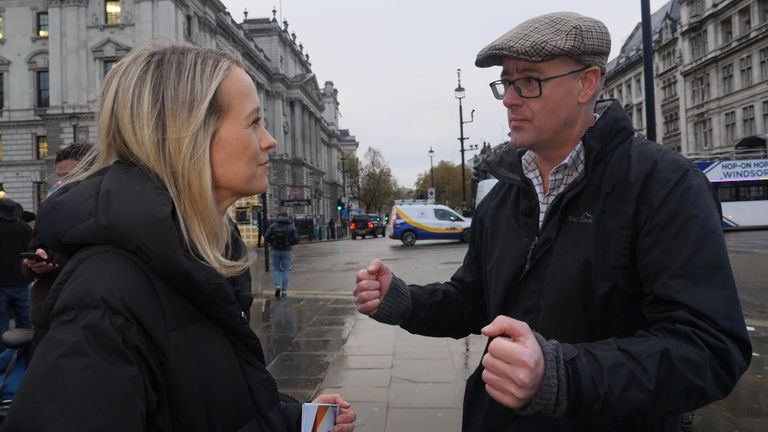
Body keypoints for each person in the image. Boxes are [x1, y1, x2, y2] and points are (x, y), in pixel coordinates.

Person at [353, 12, 751, 432]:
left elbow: (709, 348)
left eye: (528, 81)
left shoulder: (663, 186)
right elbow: (474, 301)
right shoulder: (504, 193)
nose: (509, 98)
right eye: (506, 83)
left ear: (587, 83)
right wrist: (404, 301)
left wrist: (562, 376)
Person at [3, 44, 355, 432]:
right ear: (191, 134)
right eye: (254, 122)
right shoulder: (105, 294)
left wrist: (296, 421)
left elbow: (212, 407)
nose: (269, 140)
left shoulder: (199, 256)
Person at [0, 199, 33, 347]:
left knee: (1, 328)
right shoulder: (24, 228)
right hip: (21, 281)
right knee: (25, 326)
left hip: (1, 284)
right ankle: (24, 361)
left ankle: (3, 363)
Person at [265, 213, 300, 298]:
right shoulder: (291, 226)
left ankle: (277, 286)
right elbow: (296, 239)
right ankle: (284, 290)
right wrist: (289, 243)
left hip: (275, 250)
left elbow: (266, 236)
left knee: (276, 269)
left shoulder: (273, 225)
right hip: (286, 250)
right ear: (287, 217)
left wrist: (272, 243)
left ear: (279, 217)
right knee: (286, 270)